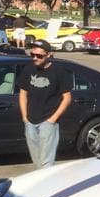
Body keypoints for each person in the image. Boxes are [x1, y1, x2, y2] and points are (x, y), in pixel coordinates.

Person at [16, 39, 72, 170]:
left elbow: (67, 98)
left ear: (49, 55)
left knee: (46, 162)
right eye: (33, 54)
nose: (35, 58)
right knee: (36, 159)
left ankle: (48, 186)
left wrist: (52, 119)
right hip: (30, 121)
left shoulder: (59, 71)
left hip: (48, 121)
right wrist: (25, 117)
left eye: (39, 56)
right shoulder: (28, 69)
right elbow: (23, 93)